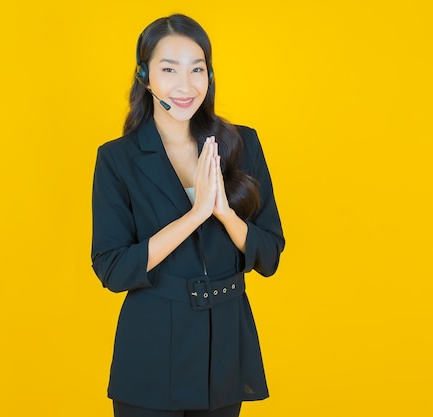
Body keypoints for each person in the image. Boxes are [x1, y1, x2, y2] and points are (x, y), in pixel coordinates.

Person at [91, 14, 285, 417]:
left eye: (197, 69)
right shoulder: (117, 159)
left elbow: (269, 255)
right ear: (145, 76)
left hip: (225, 349)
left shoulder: (242, 143)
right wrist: (195, 216)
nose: (185, 85)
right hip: (150, 349)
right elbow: (112, 269)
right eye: (168, 69)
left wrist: (225, 214)